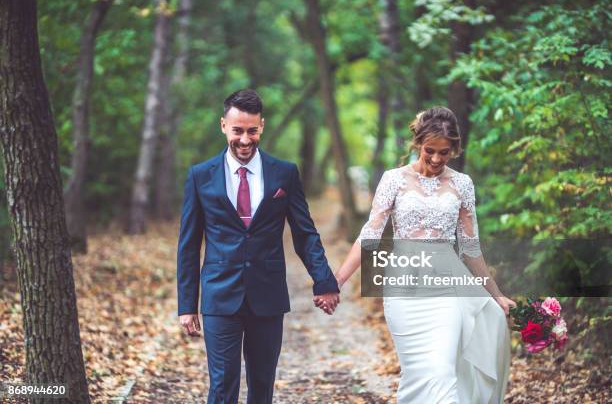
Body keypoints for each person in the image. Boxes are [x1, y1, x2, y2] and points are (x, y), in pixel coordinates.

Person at [320, 107, 516, 403]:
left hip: (448, 288)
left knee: (441, 370)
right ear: (417, 144)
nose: (436, 159)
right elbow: (370, 235)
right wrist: (337, 280)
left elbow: (471, 249)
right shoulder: (393, 180)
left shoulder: (462, 184)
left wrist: (497, 294)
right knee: (418, 372)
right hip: (404, 288)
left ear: (455, 150)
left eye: (445, 153)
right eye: (429, 151)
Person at [177, 89, 340, 404]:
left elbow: (305, 233)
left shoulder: (285, 173)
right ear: (223, 125)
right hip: (219, 296)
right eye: (237, 130)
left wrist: (324, 280)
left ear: (262, 126)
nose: (245, 139)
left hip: (268, 296)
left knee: (262, 387)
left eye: (252, 131)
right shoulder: (200, 176)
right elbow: (188, 244)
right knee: (222, 387)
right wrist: (187, 304)